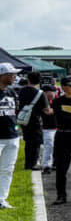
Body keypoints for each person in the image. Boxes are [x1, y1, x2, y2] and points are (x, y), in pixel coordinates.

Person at [0, 63, 21, 209]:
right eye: (12, 74)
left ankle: (1, 199)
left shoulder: (12, 92)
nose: (15, 76)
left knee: (7, 169)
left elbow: (15, 112)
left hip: (12, 136)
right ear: (3, 75)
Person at [17, 72, 46, 170]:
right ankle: (33, 163)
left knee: (28, 142)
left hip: (23, 119)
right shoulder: (40, 93)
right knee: (36, 142)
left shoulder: (22, 91)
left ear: (28, 79)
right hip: (35, 120)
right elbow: (47, 109)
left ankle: (27, 163)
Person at [40, 83, 58, 170]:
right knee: (49, 146)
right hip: (47, 129)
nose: (50, 93)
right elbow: (48, 111)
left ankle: (56, 163)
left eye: (52, 91)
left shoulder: (58, 101)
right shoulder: (42, 102)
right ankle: (46, 165)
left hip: (59, 128)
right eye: (47, 92)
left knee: (58, 147)